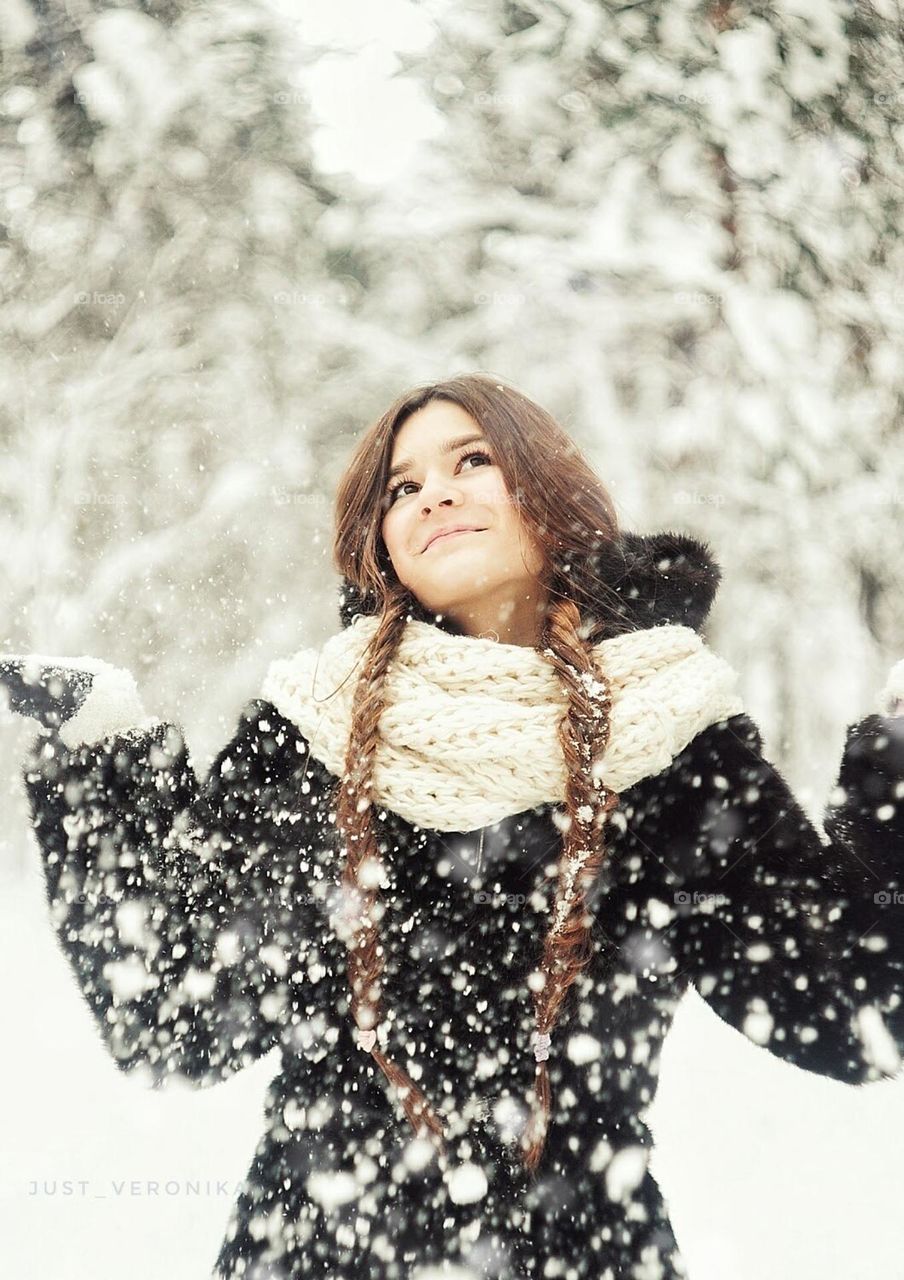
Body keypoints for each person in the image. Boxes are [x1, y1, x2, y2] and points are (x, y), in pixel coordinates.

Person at [3, 371, 904, 1280]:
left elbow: (849, 1011)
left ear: (552, 494)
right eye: (402, 487)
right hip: (318, 1246)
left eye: (473, 460)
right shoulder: (311, 729)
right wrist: (100, 748)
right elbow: (172, 1019)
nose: (434, 491)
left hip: (581, 1251)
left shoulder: (669, 736)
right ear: (380, 542)